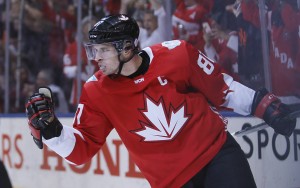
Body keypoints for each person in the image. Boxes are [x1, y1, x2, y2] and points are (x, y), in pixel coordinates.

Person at [25, 14, 297, 188]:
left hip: (218, 156)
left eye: (103, 50)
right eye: (93, 49)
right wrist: (51, 131)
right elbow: (81, 150)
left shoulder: (177, 55)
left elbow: (221, 88)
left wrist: (263, 105)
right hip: (171, 182)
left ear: (127, 48)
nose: (96, 57)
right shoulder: (97, 90)